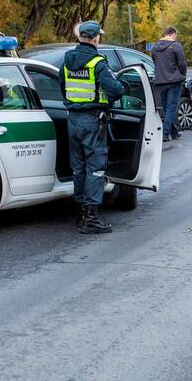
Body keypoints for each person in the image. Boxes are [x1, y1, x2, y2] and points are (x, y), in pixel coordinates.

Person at [59, 20, 125, 234]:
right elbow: (114, 91)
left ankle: (80, 213)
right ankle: (91, 217)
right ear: (96, 38)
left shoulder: (66, 62)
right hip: (93, 121)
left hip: (73, 120)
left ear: (80, 37)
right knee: (95, 168)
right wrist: (120, 86)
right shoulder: (98, 63)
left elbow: (62, 86)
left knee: (78, 169)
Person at [151, 27, 188, 142]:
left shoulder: (155, 47)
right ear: (173, 34)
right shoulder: (176, 46)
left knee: (167, 109)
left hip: (160, 81)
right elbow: (182, 63)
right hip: (174, 81)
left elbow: (154, 61)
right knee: (171, 108)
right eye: (176, 35)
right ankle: (165, 134)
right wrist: (182, 75)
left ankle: (174, 131)